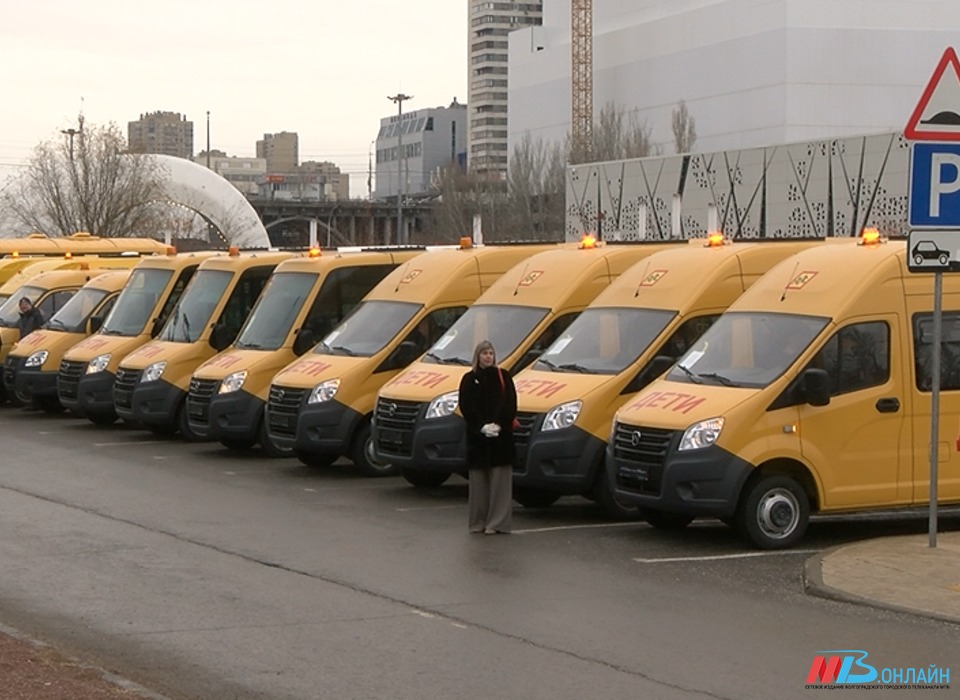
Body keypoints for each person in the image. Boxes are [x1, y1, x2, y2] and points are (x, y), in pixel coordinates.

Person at [458, 340, 517, 534]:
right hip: (478, 440)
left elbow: (510, 403)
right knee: (479, 484)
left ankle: (497, 523)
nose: (488, 356)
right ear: (478, 356)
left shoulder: (504, 377)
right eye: (485, 353)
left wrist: (499, 424)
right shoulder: (469, 379)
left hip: (501, 439)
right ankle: (478, 522)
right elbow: (466, 406)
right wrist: (480, 427)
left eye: (491, 353)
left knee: (500, 483)